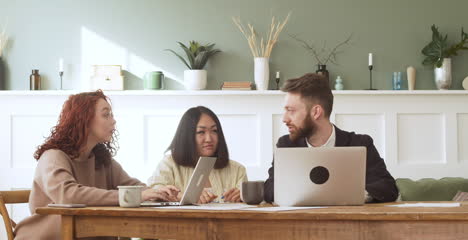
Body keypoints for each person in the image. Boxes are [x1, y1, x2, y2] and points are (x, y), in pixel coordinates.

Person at [14, 90, 178, 240]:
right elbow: (69, 195)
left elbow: (133, 186)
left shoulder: (101, 159)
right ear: (84, 119)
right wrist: (134, 197)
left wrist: (157, 192)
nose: (113, 121)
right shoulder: (53, 156)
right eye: (106, 115)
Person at [264, 73, 398, 203]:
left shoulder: (360, 144)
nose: (284, 118)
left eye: (291, 110)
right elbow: (269, 189)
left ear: (316, 112)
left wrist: (353, 195)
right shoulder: (286, 145)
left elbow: (388, 188)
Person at [148, 106, 247, 204]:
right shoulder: (169, 164)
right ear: (187, 136)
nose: (209, 139)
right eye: (201, 132)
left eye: (214, 131)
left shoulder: (237, 169)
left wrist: (244, 197)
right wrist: (182, 196)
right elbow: (154, 191)